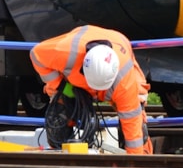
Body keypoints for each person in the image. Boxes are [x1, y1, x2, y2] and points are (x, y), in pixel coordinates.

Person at [30, 24, 152, 154]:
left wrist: (134, 162)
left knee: (138, 121)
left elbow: (132, 124)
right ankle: (60, 158)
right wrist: (61, 86)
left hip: (118, 47)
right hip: (73, 81)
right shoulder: (65, 52)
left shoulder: (124, 81)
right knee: (58, 117)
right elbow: (36, 56)